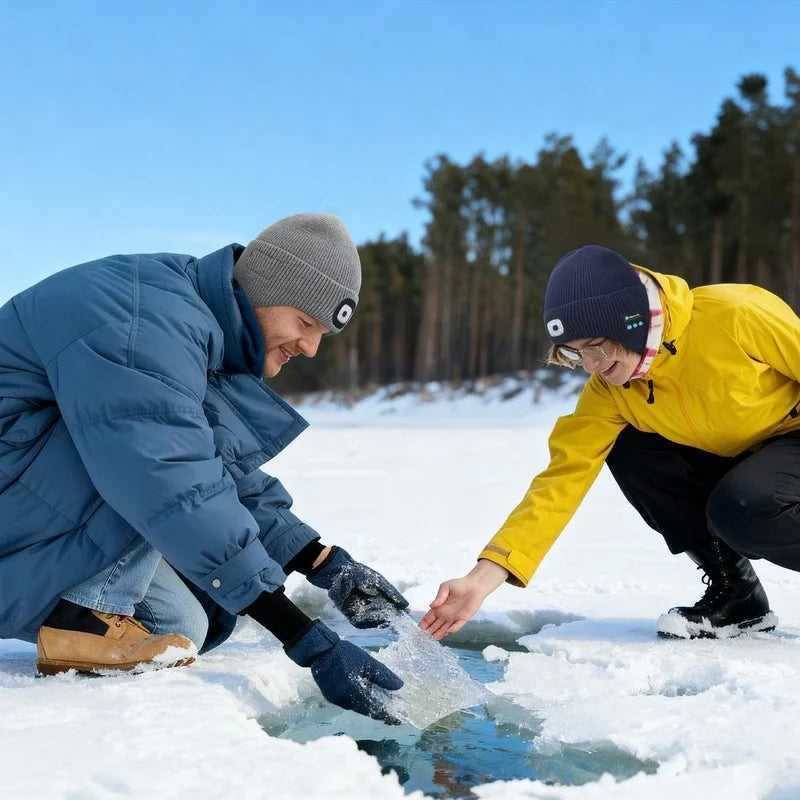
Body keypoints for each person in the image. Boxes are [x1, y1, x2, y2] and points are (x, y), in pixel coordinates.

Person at [0, 212, 408, 723]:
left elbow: (214, 465)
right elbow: (169, 475)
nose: (310, 348)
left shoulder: (188, 323)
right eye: (305, 323)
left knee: (182, 626)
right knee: (148, 468)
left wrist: (322, 562)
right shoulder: (144, 322)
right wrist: (308, 641)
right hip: (12, 478)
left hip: (25, 487)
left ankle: (86, 610)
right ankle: (81, 616)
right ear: (263, 288)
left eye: (322, 333)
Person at [421, 244, 800, 642]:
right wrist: (481, 580)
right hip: (736, 458)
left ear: (631, 323)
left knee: (744, 505)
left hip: (790, 439)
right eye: (573, 353)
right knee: (629, 445)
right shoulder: (610, 392)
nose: (589, 366)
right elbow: (560, 481)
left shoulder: (735, 315)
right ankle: (739, 598)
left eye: (595, 347)